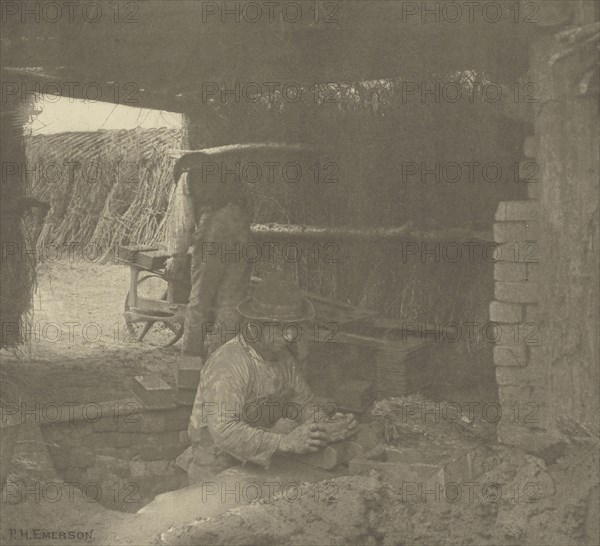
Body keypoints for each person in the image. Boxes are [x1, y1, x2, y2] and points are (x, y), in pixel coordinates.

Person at [176, 271, 356, 483]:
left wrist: (325, 424)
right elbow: (224, 432)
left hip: (258, 460)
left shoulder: (283, 359)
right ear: (256, 326)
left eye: (291, 328)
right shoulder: (229, 363)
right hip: (216, 463)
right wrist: (286, 442)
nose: (288, 336)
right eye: (278, 327)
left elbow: (303, 403)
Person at [164, 153, 252, 360]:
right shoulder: (229, 175)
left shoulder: (187, 177)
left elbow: (182, 221)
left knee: (200, 299)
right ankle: (219, 360)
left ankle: (191, 361)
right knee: (231, 302)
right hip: (242, 230)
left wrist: (176, 256)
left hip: (214, 229)